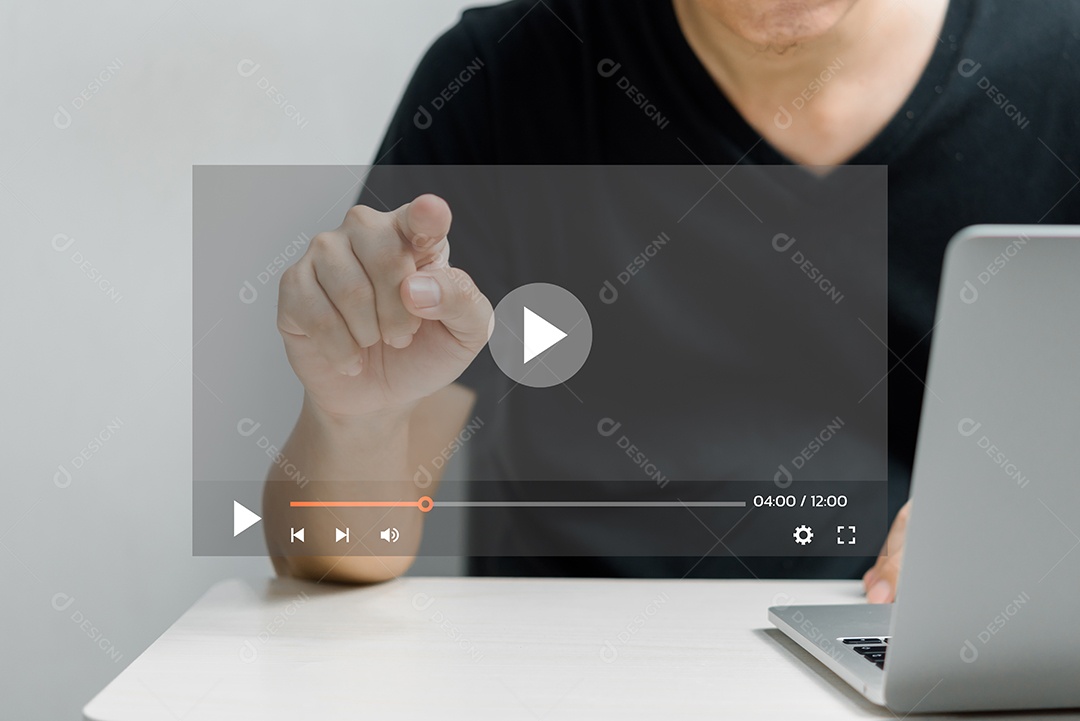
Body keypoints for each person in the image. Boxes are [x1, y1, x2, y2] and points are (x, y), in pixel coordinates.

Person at [264, 0, 1080, 599]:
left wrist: (1038, 539)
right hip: (570, 671)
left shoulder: (1059, 68)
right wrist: (355, 422)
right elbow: (333, 549)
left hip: (909, 657)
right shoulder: (507, 72)